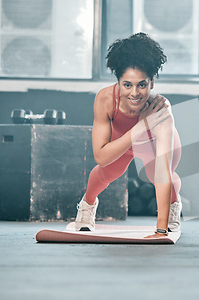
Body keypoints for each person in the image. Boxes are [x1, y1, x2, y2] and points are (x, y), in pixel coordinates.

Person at [74, 32, 182, 238]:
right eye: (127, 85)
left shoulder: (160, 109)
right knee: (107, 172)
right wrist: (141, 126)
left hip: (153, 145)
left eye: (142, 84)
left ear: (151, 83)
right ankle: (87, 205)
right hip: (124, 140)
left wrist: (161, 230)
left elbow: (162, 173)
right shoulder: (106, 99)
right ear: (118, 82)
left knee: (157, 174)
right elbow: (101, 156)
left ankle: (173, 206)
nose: (134, 93)